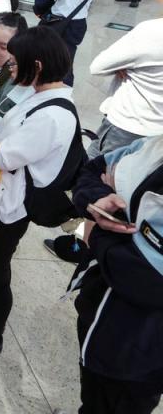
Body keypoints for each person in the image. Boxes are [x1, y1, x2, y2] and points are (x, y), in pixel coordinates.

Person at [0, 26, 78, 360]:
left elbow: (4, 156)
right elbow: (8, 136)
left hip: (10, 208)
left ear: (36, 65)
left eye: (15, 60)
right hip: (7, 197)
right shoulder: (46, 96)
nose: (9, 65)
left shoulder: (51, 116)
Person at [67, 135, 163, 414]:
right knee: (93, 394)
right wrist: (96, 199)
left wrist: (96, 234)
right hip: (100, 310)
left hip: (139, 350)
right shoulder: (153, 144)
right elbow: (92, 169)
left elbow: (148, 281)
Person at [87, 0, 163, 155]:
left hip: (128, 126)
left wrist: (124, 65)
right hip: (157, 133)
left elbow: (98, 65)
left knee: (95, 177)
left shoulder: (151, 31)